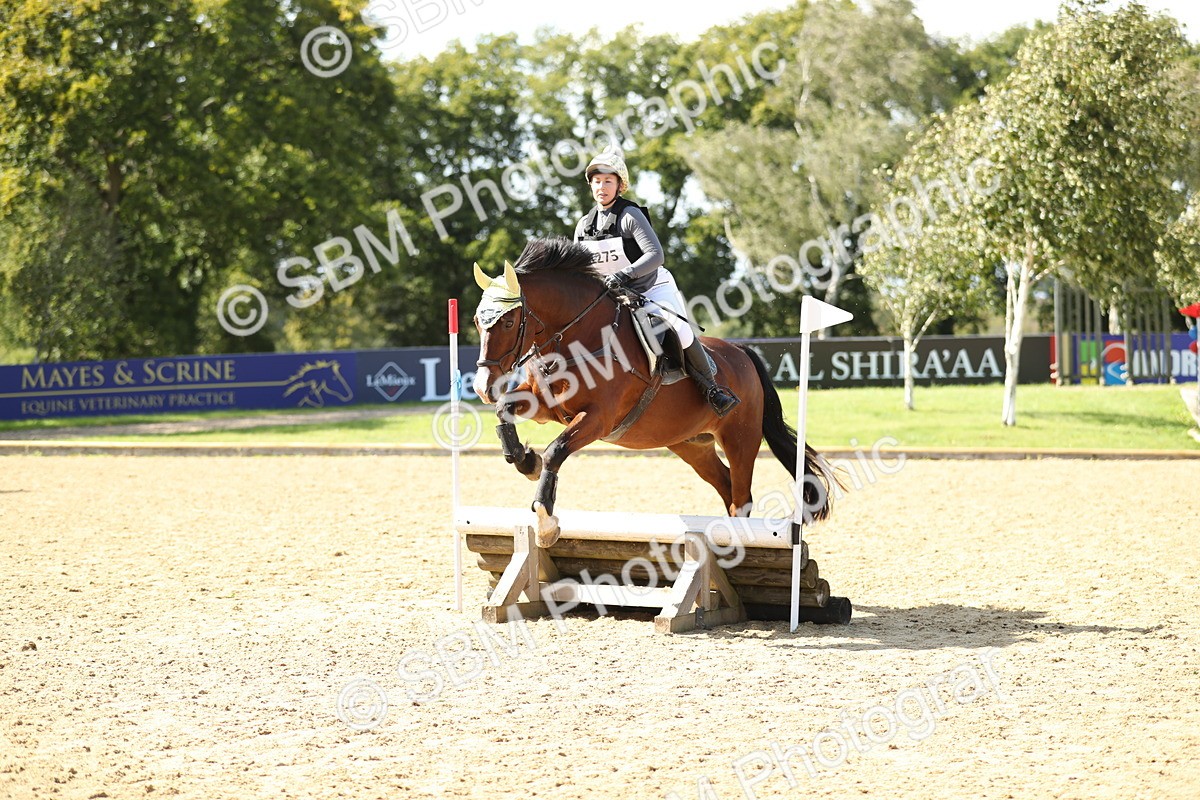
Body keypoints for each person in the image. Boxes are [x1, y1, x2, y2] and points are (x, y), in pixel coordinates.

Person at [573, 147, 739, 417]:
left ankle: (712, 388)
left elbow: (656, 255)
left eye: (608, 181)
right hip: (611, 296)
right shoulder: (583, 226)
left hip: (650, 288)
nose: (601, 187)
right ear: (590, 185)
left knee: (679, 328)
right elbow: (580, 268)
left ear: (619, 185)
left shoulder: (629, 216)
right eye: (597, 181)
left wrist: (623, 275)